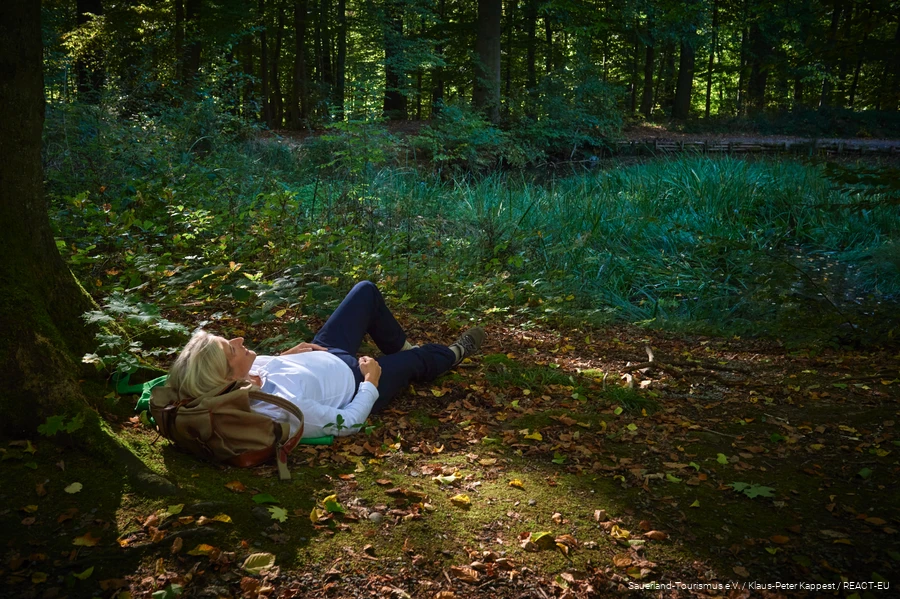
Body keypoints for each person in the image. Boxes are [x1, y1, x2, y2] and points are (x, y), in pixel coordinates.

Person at [166, 281, 485, 438]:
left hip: (327, 350)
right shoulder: (282, 408)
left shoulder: (248, 372)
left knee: (365, 292)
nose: (239, 340)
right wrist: (372, 382)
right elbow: (346, 424)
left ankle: (403, 350)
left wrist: (284, 356)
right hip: (357, 379)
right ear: (225, 377)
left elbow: (274, 369)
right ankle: (451, 355)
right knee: (419, 361)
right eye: (231, 348)